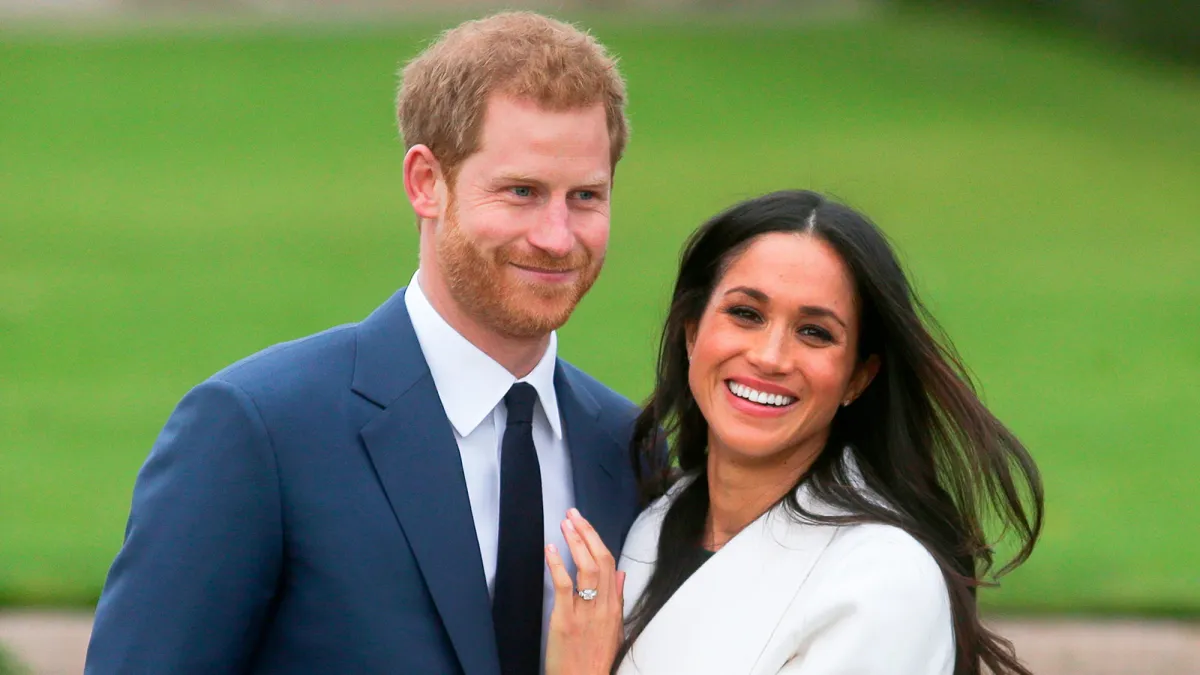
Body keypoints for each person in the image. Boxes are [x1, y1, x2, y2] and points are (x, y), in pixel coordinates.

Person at [85, 12, 641, 674]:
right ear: (426, 183)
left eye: (586, 196)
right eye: (521, 191)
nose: (557, 235)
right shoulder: (261, 431)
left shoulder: (629, 449)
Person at [543, 190, 1044, 675]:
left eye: (814, 332)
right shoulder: (650, 521)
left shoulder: (881, 579)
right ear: (692, 333)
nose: (770, 357)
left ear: (858, 377)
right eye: (746, 314)